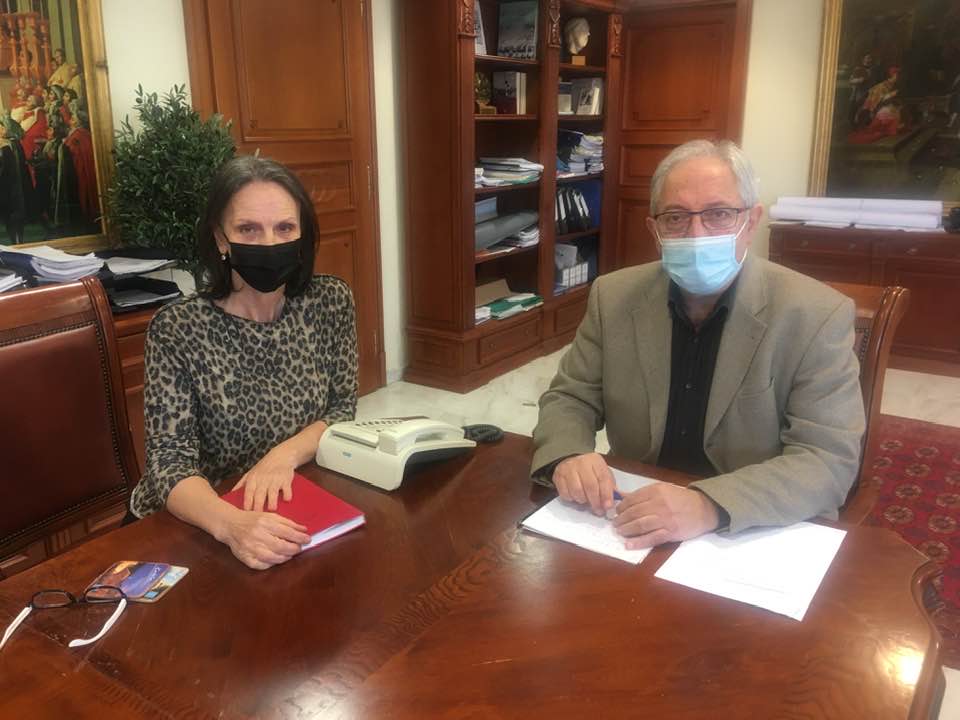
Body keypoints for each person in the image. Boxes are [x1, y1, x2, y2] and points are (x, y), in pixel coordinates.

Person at [531, 139, 865, 549]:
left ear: (751, 222)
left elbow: (827, 460)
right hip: (629, 515)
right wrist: (567, 454)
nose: (696, 234)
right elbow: (570, 397)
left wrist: (708, 505)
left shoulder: (817, 314)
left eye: (719, 214)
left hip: (746, 532)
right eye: (675, 217)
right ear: (654, 230)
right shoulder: (612, 296)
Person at [128, 156, 359, 570]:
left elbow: (341, 408)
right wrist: (232, 525)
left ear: (302, 235)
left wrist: (282, 456)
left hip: (287, 505)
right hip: (197, 524)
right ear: (221, 239)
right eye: (248, 229)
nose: (269, 243)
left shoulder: (330, 302)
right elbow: (168, 464)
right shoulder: (179, 328)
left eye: (284, 228)